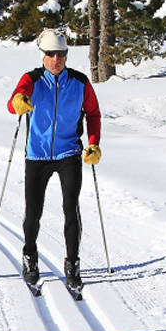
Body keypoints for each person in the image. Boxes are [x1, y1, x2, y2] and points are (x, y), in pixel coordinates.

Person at [6, 28, 102, 289]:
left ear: (67, 55)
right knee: (33, 211)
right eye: (50, 54)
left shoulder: (80, 83)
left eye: (60, 54)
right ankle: (30, 257)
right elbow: (14, 102)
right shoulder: (32, 79)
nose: (56, 59)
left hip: (69, 153)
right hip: (37, 155)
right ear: (43, 55)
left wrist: (93, 144)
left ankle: (72, 264)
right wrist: (18, 102)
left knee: (71, 208)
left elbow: (93, 114)